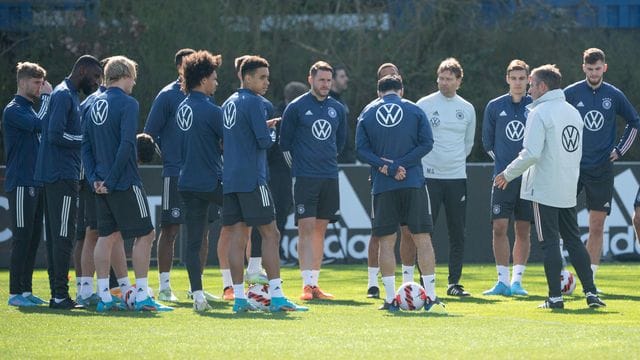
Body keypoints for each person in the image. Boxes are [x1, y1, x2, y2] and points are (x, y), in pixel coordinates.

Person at [494, 64, 606, 309]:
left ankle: (555, 298)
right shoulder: (573, 112)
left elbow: (531, 153)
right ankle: (591, 294)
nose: (529, 89)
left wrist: (508, 174)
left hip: (543, 189)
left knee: (550, 243)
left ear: (543, 87)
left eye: (532, 84)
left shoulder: (539, 112)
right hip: (566, 187)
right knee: (574, 241)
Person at [83, 56, 171, 312]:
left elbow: (85, 146)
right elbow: (126, 145)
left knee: (106, 236)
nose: (134, 82)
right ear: (125, 75)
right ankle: (142, 296)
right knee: (146, 234)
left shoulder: (91, 104)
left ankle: (105, 298)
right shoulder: (128, 104)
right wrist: (110, 179)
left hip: (100, 183)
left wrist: (94, 179)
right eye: (133, 76)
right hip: (123, 182)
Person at [221, 55, 307, 312]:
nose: (266, 82)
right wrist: (270, 130)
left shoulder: (227, 103)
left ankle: (238, 299)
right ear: (246, 78)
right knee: (271, 234)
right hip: (253, 179)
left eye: (267, 77)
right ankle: (278, 297)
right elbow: (264, 142)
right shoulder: (257, 103)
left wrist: (261, 128)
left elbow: (235, 137)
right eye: (262, 77)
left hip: (231, 179)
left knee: (237, 238)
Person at [356, 74, 446, 313]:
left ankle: (389, 300)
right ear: (401, 90)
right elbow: (427, 143)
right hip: (413, 182)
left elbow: (360, 150)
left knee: (386, 242)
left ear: (379, 92)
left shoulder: (367, 112)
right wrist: (402, 164)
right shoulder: (414, 110)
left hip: (383, 185)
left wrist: (387, 166)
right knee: (422, 238)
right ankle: (432, 298)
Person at [564, 48, 640, 291]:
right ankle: (559, 271)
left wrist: (619, 151)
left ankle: (590, 280)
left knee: (597, 226)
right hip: (571, 168)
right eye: (590, 68)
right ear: (583, 68)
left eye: (598, 68)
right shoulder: (571, 93)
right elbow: (551, 117)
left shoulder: (614, 95)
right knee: (557, 218)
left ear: (604, 67)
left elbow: (634, 121)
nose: (594, 73)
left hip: (602, 169)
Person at [34, 54, 102, 310]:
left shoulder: (68, 94)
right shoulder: (64, 95)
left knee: (57, 237)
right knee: (62, 237)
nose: (97, 83)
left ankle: (58, 294)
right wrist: (85, 140)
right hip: (61, 176)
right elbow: (54, 134)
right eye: (95, 76)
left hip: (59, 175)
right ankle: (60, 296)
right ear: (82, 70)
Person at [280, 61, 347, 300]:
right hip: (305, 177)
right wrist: (299, 170)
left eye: (329, 80)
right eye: (321, 80)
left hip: (329, 176)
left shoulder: (337, 109)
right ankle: (306, 285)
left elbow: (339, 143)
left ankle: (315, 284)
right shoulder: (296, 108)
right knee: (305, 229)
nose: (326, 84)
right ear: (311, 79)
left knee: (320, 230)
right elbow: (284, 144)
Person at [416, 58, 476, 297]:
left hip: (456, 177)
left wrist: (453, 162)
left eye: (449, 79)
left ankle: (454, 282)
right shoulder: (424, 104)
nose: (444, 83)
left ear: (459, 81)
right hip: (429, 177)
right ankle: (425, 282)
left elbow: (468, 144)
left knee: (457, 231)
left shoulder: (467, 108)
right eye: (441, 78)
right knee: (426, 231)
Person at [144, 48, 198, 302]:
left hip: (203, 174)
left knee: (202, 230)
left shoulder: (205, 94)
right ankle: (165, 286)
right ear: (180, 67)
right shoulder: (167, 96)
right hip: (175, 173)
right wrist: (168, 156)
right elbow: (148, 135)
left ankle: (194, 287)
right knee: (170, 229)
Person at [364, 63, 418, 299]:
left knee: (408, 231)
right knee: (379, 233)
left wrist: (399, 166)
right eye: (385, 76)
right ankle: (372, 282)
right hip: (381, 179)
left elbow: (419, 144)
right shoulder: (369, 111)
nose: (390, 79)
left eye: (393, 75)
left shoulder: (410, 111)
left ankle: (407, 282)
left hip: (406, 176)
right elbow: (364, 149)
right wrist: (388, 167)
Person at [177, 50, 224, 312]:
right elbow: (230, 144)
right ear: (204, 79)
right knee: (257, 219)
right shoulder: (210, 109)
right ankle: (245, 287)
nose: (216, 83)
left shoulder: (181, 107)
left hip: (187, 182)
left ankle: (197, 296)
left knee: (194, 243)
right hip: (212, 181)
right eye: (214, 78)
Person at [481, 60, 532, 296]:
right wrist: (506, 166)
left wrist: (522, 166)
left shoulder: (536, 106)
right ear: (507, 79)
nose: (518, 82)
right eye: (514, 78)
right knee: (499, 227)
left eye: (522, 78)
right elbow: (487, 144)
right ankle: (501, 281)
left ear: (529, 80)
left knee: (523, 229)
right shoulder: (494, 106)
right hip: (502, 178)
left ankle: (517, 281)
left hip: (530, 178)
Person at [3, 62, 52, 307]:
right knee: (22, 238)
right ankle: (14, 293)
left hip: (36, 180)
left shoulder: (30, 109)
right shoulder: (13, 110)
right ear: (22, 82)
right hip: (21, 182)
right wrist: (46, 100)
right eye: (36, 82)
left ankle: (26, 291)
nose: (40, 86)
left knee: (33, 239)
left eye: (42, 82)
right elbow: (39, 125)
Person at [332, 64, 355, 164]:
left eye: (346, 76)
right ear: (332, 80)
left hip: (348, 157)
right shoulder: (329, 103)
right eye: (342, 76)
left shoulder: (342, 101)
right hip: (337, 159)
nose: (346, 79)